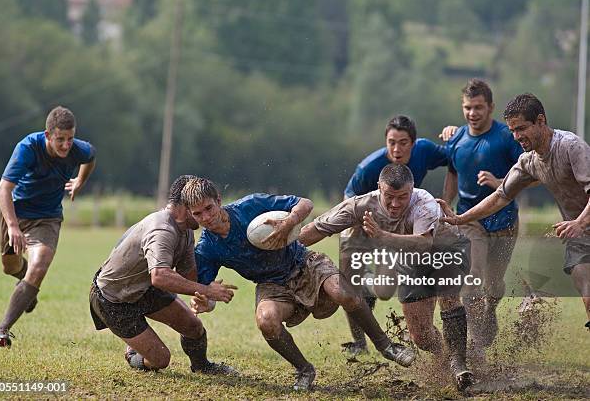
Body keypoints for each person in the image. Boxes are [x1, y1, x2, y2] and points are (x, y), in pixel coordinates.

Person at [181, 178, 416, 391]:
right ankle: (304, 369)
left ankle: (387, 347)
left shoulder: (249, 206)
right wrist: (205, 302)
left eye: (209, 208)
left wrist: (290, 221)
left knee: (343, 292)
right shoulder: (206, 249)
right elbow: (207, 294)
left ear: (218, 201)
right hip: (271, 284)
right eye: (198, 214)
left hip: (303, 262)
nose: (206, 218)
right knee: (266, 320)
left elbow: (305, 203)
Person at [300, 164, 474, 391]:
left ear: (411, 191)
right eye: (389, 196)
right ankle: (444, 356)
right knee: (420, 336)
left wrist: (382, 236)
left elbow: (424, 244)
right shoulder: (361, 205)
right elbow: (318, 228)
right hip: (411, 262)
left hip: (447, 249)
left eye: (402, 197)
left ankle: (459, 364)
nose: (395, 204)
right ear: (378, 188)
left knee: (447, 294)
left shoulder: (424, 203)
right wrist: (281, 246)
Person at [439, 93, 590, 330]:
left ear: (541, 121)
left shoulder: (570, 146)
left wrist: (580, 222)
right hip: (579, 235)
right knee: (586, 290)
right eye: (512, 131)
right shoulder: (528, 161)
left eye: (521, 128)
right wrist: (460, 218)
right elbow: (500, 196)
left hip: (580, 224)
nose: (517, 136)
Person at [89, 175, 237, 373]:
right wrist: (206, 290)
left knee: (193, 327)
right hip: (112, 299)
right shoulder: (162, 228)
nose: (205, 217)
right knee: (160, 359)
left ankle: (202, 367)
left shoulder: (186, 230)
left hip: (146, 290)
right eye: (198, 208)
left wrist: (203, 298)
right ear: (186, 206)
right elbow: (159, 275)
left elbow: (188, 278)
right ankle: (134, 354)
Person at [0, 106, 97, 347]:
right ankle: (27, 287)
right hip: (15, 212)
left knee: (39, 266)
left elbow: (90, 157)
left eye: (70, 139)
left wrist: (80, 180)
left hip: (47, 217)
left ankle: (2, 330)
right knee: (10, 267)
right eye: (60, 139)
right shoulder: (28, 148)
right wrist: (13, 226)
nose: (66, 145)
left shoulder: (79, 149)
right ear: (48, 135)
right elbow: (2, 190)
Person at [342, 115, 449, 355]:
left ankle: (448, 346)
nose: (396, 149)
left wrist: (456, 132)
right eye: (391, 142)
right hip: (376, 226)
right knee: (380, 289)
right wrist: (364, 229)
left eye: (402, 142)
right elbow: (348, 200)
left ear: (414, 142)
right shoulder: (369, 167)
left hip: (412, 227)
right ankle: (359, 341)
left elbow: (456, 155)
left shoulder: (426, 150)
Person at [440, 79, 524, 357]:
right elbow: (452, 173)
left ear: (491, 108)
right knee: (472, 279)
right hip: (469, 220)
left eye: (478, 108)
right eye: (467, 108)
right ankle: (476, 344)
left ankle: (490, 310)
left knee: (494, 284)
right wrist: (447, 207)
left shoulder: (506, 138)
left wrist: (500, 181)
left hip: (504, 220)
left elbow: (532, 175)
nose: (472, 113)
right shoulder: (456, 140)